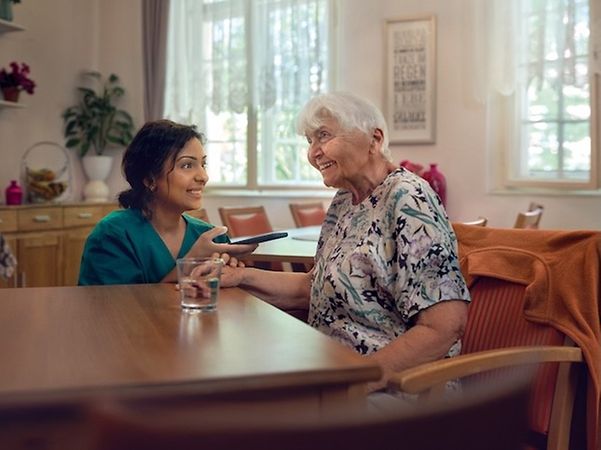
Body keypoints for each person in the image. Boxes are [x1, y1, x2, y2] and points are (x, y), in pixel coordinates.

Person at [221, 92, 470, 392]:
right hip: (333, 372)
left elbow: (444, 327)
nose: (314, 153)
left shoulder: (409, 198)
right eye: (310, 142)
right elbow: (315, 290)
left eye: (323, 136)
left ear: (374, 140)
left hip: (400, 388)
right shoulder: (344, 202)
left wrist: (357, 382)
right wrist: (240, 276)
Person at [78, 120, 256, 285]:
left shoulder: (213, 238)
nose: (203, 176)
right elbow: (119, 311)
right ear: (149, 179)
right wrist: (190, 262)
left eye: (203, 164)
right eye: (187, 165)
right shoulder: (112, 236)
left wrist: (232, 274)